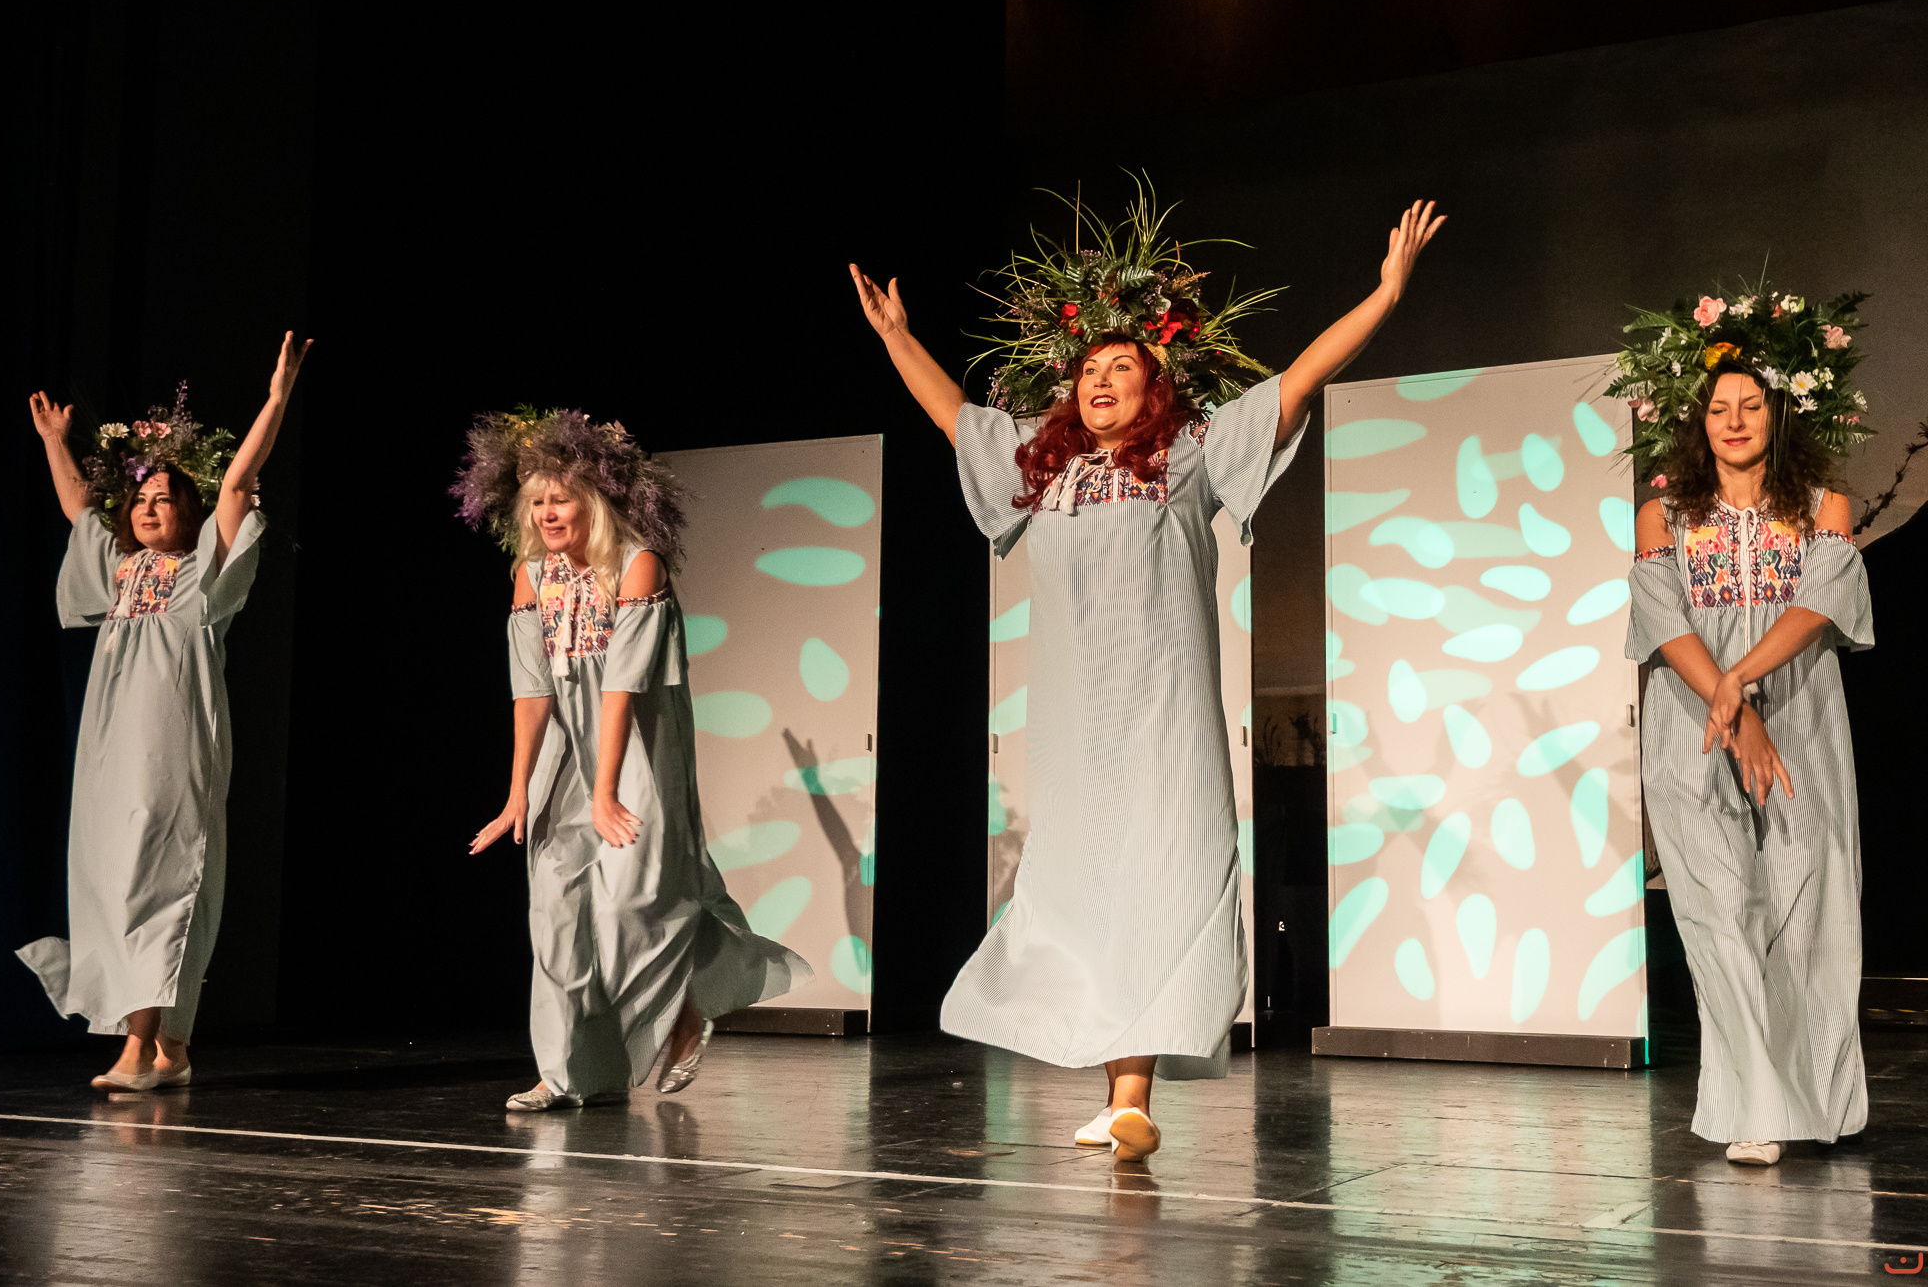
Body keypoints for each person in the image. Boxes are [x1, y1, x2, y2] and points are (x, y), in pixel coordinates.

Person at [851, 195, 1444, 1163]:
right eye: (1088, 368)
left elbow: (1300, 377)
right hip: (1077, 736)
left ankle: (1132, 1096)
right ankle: (1118, 1093)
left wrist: (1384, 294)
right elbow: (953, 416)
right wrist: (896, 338)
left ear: (1156, 386)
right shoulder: (1039, 468)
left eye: (1120, 366)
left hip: (1164, 725)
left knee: (1166, 884)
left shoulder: (1190, 454)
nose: (1099, 379)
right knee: (1085, 899)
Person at [457, 411, 812, 1111]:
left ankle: (687, 1006)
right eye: (538, 501)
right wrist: (517, 791)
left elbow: (622, 686)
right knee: (555, 914)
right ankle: (567, 1072)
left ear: (593, 500)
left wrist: (606, 790)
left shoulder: (637, 563)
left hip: (638, 752)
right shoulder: (531, 576)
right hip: (563, 752)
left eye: (561, 498)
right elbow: (532, 693)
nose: (548, 513)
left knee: (631, 906)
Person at [1618, 286, 1874, 1166]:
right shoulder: (1662, 517)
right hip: (1691, 724)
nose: (1734, 420)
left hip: (1798, 708)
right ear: (1697, 422)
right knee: (1718, 910)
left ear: (1780, 411)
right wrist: (1727, 702)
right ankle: (1754, 1107)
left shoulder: (1823, 506)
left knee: (1808, 908)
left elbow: (1819, 604)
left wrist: (1745, 681)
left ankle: (1819, 1098)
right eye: (1719, 407)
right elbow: (1664, 620)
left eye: (1751, 403)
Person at [18, 332, 309, 1091]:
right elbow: (79, 508)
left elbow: (238, 485)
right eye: (141, 499)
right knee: (116, 879)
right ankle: (172, 1046)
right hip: (110, 748)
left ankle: (134, 1048)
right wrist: (55, 442)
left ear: (190, 511)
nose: (149, 508)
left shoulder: (202, 572)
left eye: (165, 498)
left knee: (161, 878)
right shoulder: (121, 571)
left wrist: (276, 399)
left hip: (173, 743)